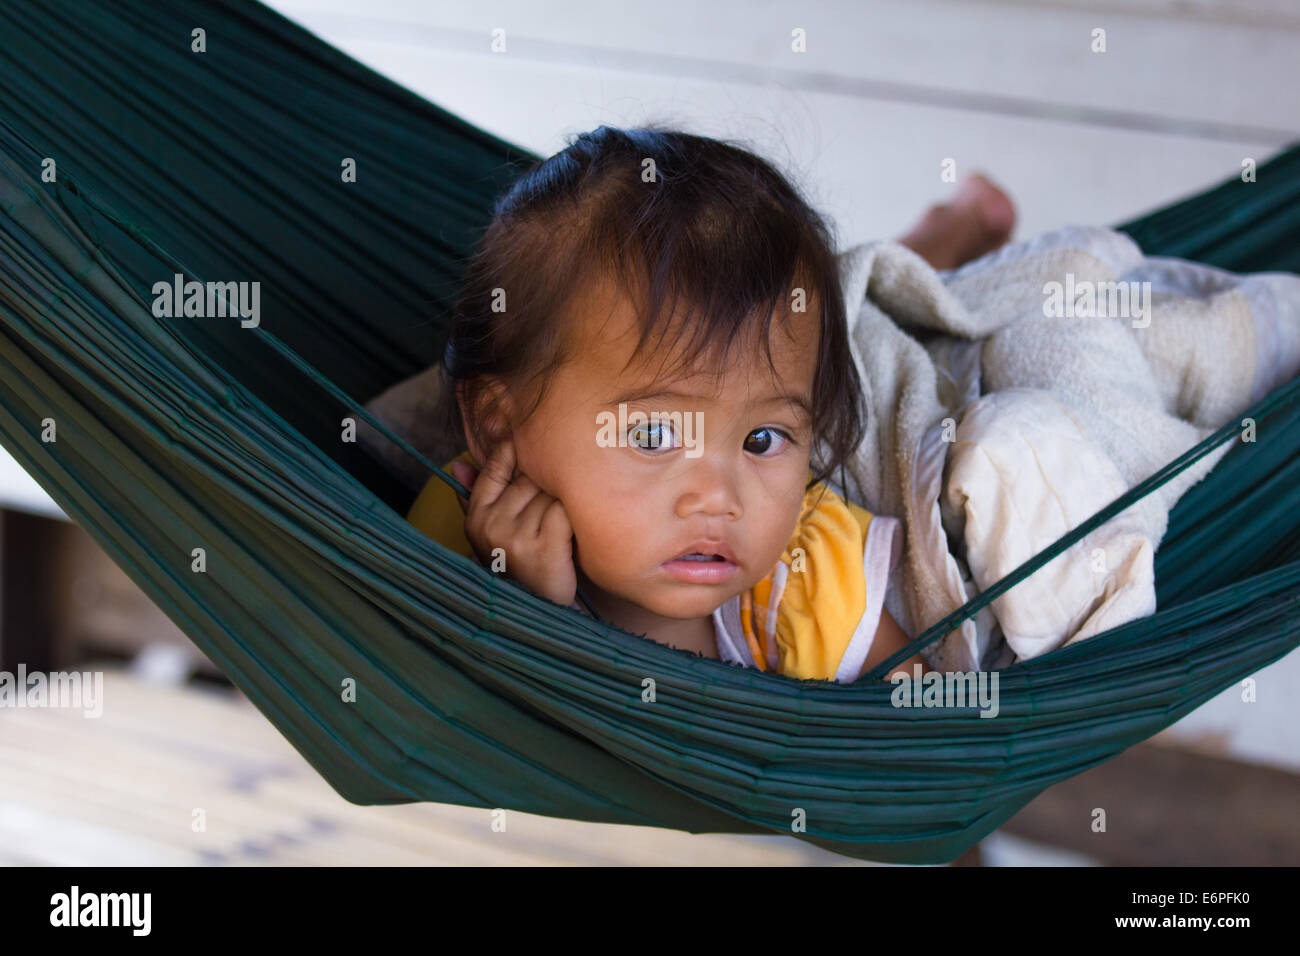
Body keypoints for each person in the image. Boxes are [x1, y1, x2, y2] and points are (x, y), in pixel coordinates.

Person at [407, 126, 1016, 682]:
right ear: (497, 426)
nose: (720, 499)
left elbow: (928, 732)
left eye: (762, 441)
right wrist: (527, 604)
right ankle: (944, 233)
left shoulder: (803, 585)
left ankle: (941, 239)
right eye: (652, 436)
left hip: (812, 348)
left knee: (854, 315)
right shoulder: (463, 535)